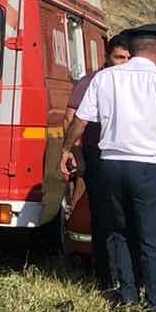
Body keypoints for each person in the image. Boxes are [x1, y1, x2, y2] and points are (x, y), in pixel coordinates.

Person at [61, 24, 156, 312]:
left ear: (133, 50)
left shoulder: (105, 78)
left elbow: (79, 121)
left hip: (110, 165)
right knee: (154, 234)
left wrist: (66, 149)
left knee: (119, 232)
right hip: (146, 167)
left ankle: (127, 297)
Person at [65, 35, 133, 296]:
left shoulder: (135, 82)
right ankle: (106, 277)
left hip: (129, 160)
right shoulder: (91, 82)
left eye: (127, 58)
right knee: (103, 220)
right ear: (107, 57)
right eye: (118, 57)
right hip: (97, 160)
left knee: (127, 220)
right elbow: (71, 118)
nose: (123, 63)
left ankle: (128, 277)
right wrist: (76, 153)